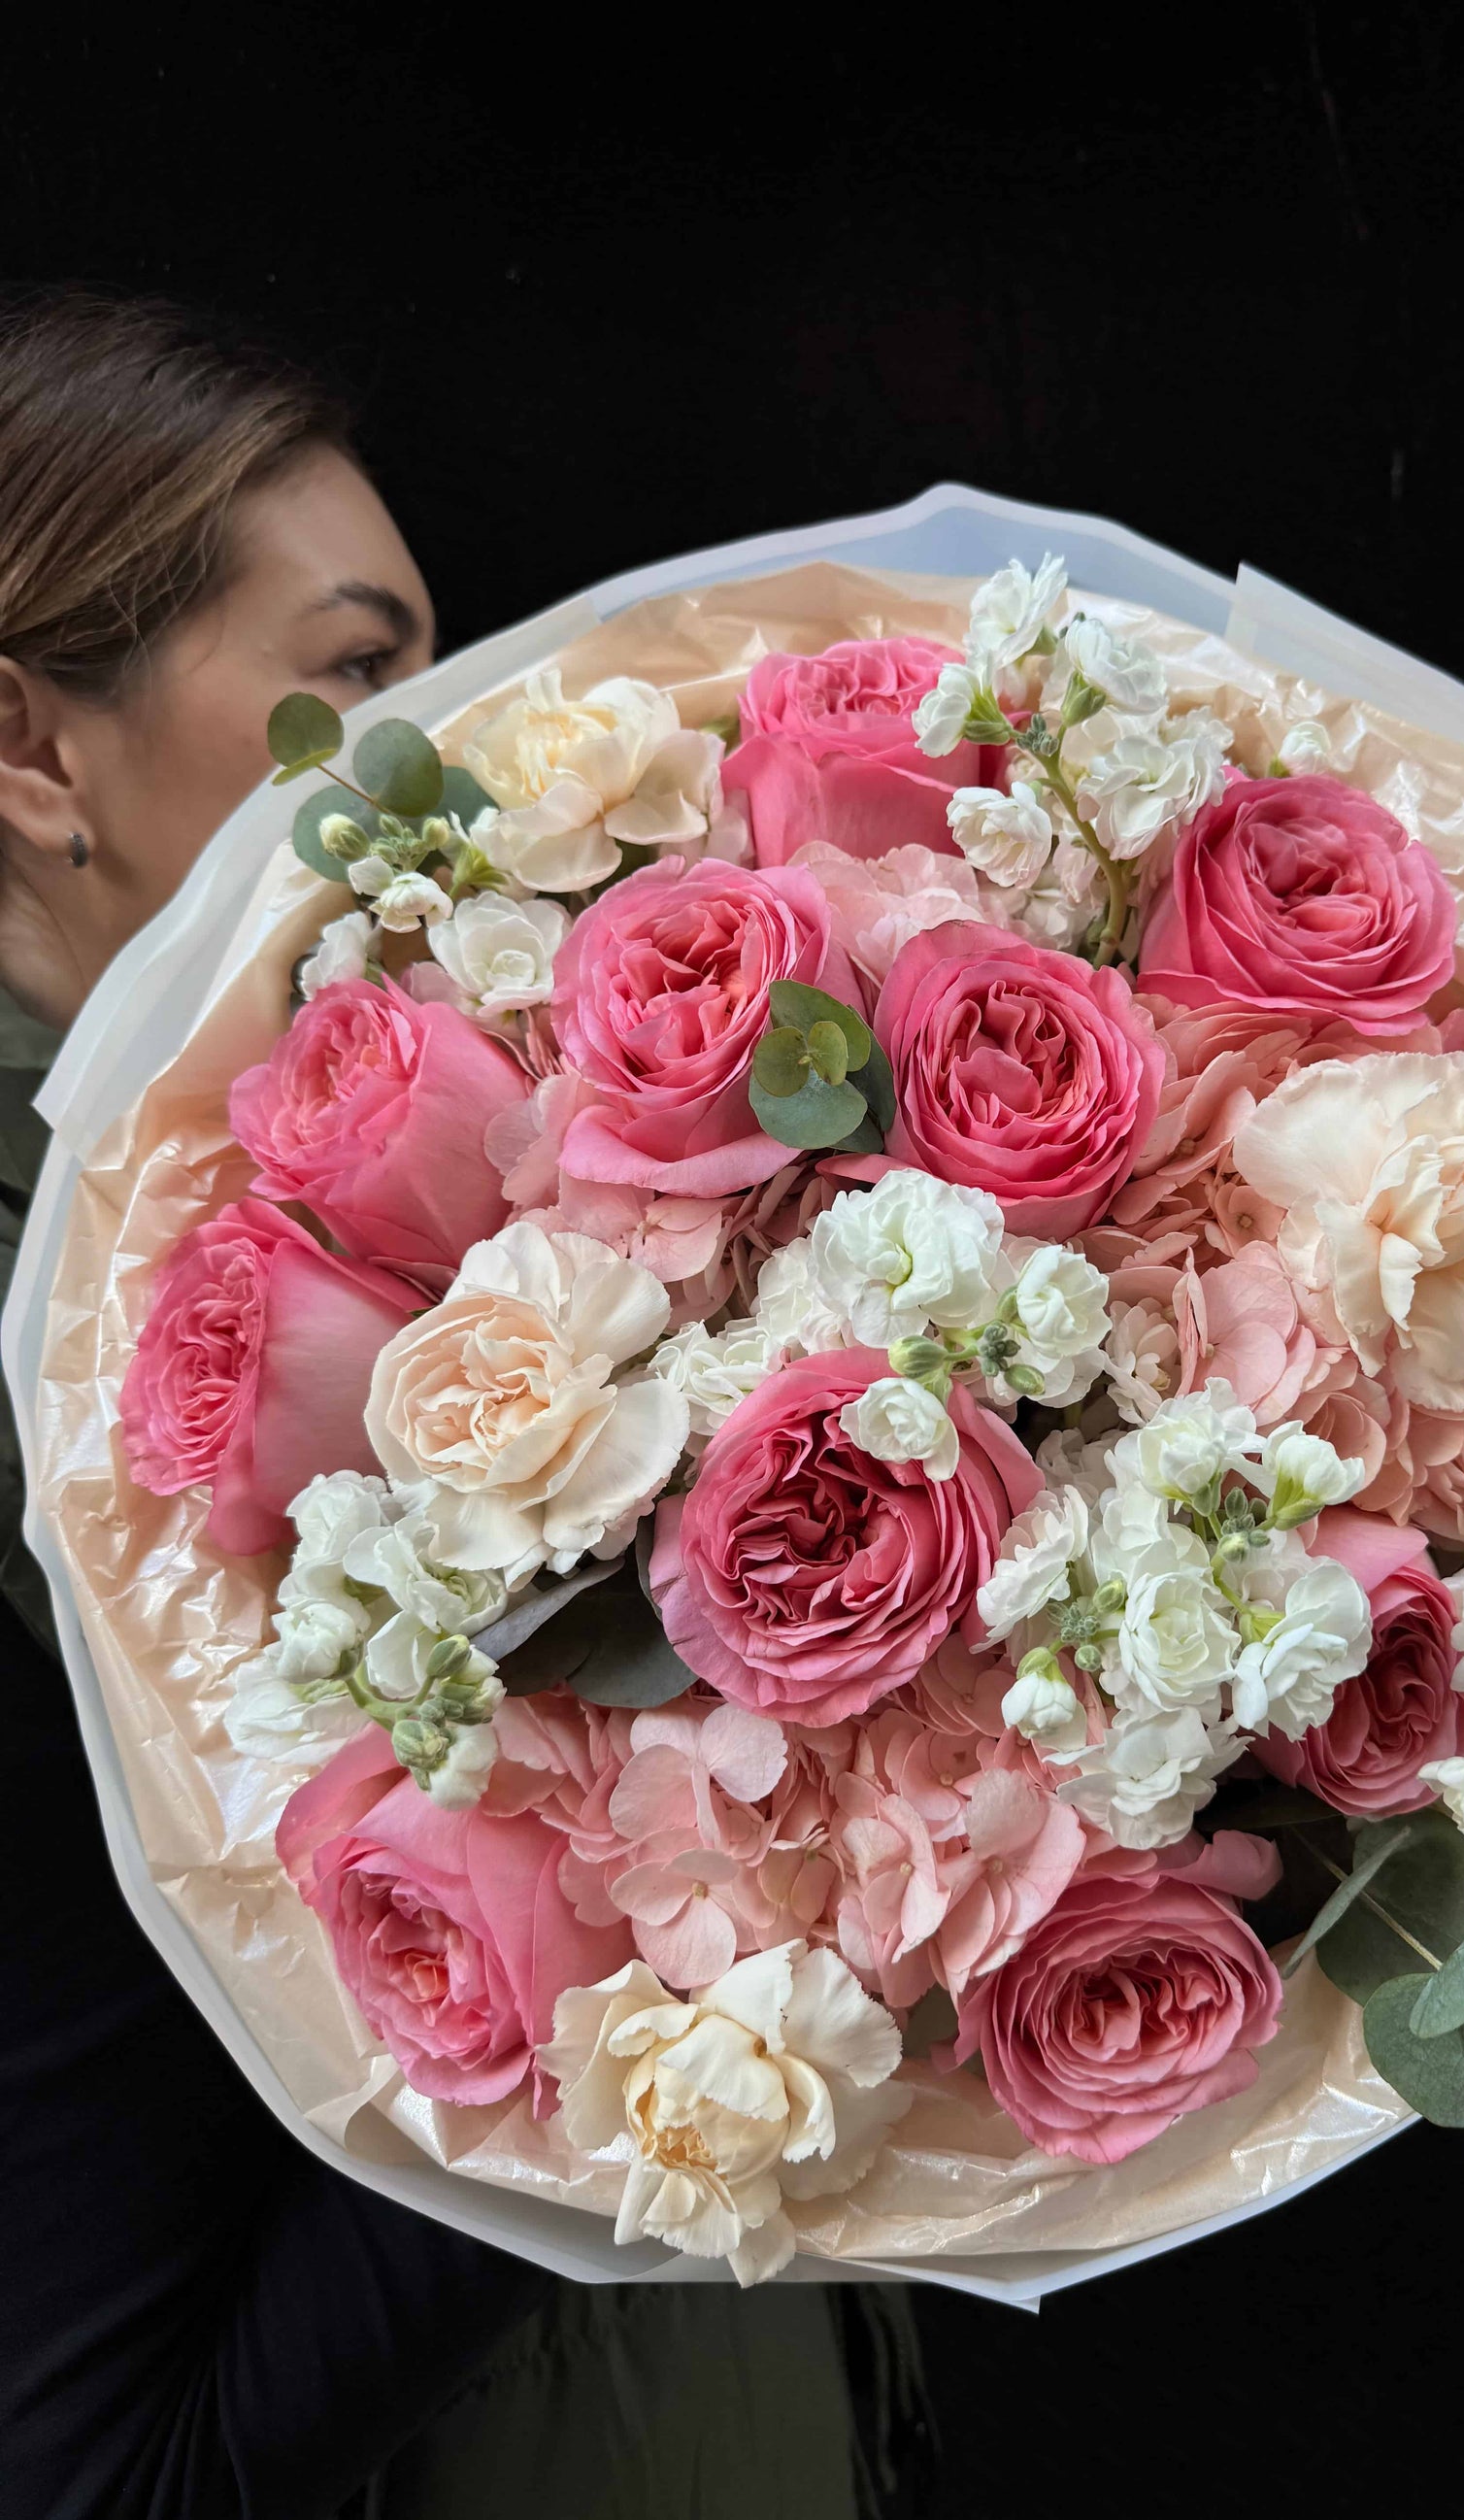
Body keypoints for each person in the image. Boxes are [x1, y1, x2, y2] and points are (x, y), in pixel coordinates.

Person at [0, 291, 927, 2520]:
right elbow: (104, 2453)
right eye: (356, 673)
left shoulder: (307, 1236)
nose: (456, 759)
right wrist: (752, 1897)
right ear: (28, 750)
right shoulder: (62, 1379)